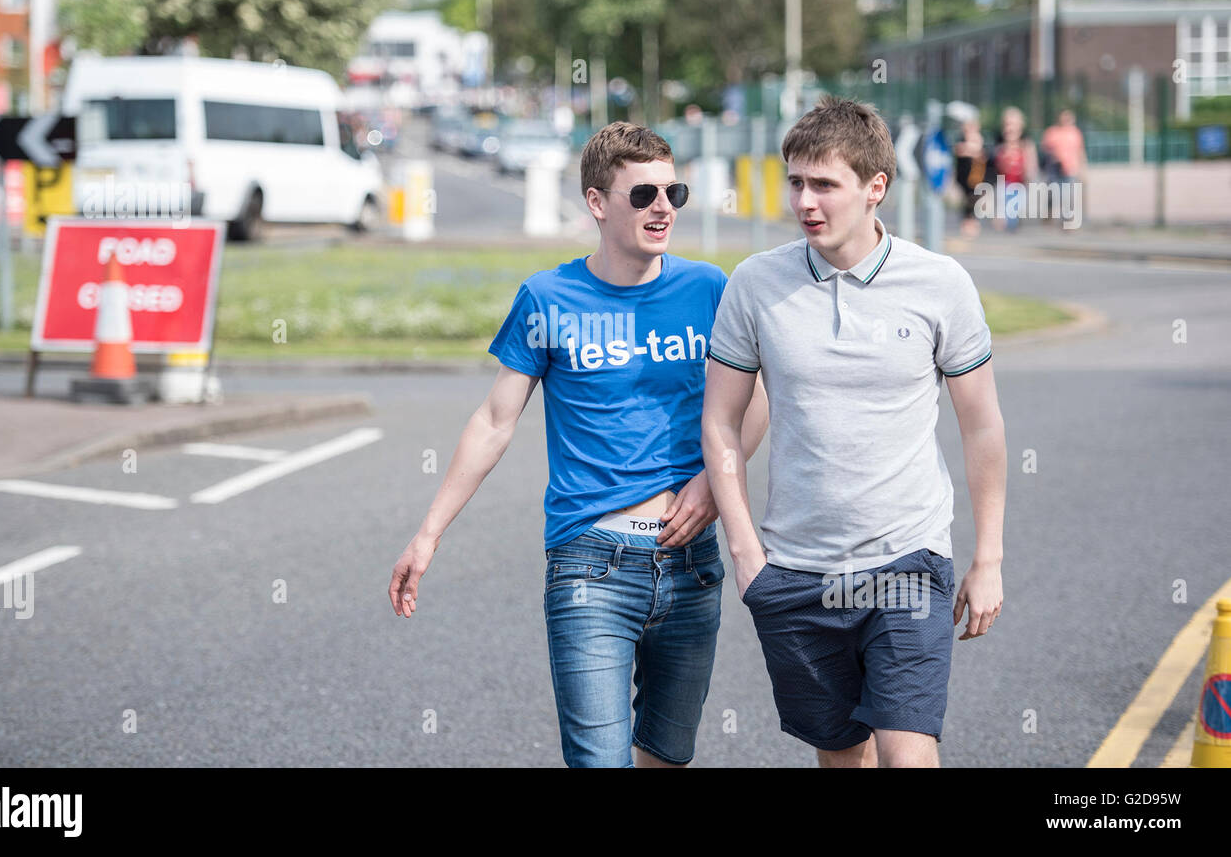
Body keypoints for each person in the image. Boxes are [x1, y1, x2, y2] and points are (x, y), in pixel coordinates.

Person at [389, 121, 769, 768]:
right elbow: (493, 420)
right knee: (599, 759)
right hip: (590, 563)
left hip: (691, 562)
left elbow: (752, 398)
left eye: (672, 193)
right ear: (596, 202)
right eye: (642, 194)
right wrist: (428, 532)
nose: (661, 208)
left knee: (667, 754)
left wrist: (713, 483)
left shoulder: (708, 289)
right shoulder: (548, 297)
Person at [702, 95, 1006, 768]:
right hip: (796, 569)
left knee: (907, 753)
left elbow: (981, 425)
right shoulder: (755, 284)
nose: (805, 201)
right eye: (796, 182)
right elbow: (722, 419)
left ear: (875, 188)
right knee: (843, 755)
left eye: (824, 184)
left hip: (906, 559)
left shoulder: (940, 283)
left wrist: (989, 558)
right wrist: (747, 552)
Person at [992, 106, 1037, 232]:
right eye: (1007, 124)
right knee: (1002, 216)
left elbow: (1031, 164)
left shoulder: (1026, 144)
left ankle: (1013, 225)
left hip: (1020, 183)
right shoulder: (1000, 143)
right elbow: (996, 164)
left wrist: (1030, 176)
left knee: (1014, 214)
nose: (1010, 128)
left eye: (1013, 124)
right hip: (1003, 183)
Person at [1040, 108, 1087, 228]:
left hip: (1070, 169)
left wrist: (1083, 169)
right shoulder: (1052, 132)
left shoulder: (1075, 133)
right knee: (1053, 193)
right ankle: (1048, 214)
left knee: (1068, 195)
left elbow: (1080, 151)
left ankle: (1066, 220)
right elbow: (1044, 150)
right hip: (1055, 168)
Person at [952, 117, 989, 239]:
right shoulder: (962, 138)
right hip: (964, 177)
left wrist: (967, 149)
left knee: (973, 200)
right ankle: (967, 225)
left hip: (975, 177)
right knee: (966, 201)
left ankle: (972, 224)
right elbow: (959, 150)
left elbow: (977, 151)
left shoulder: (977, 138)